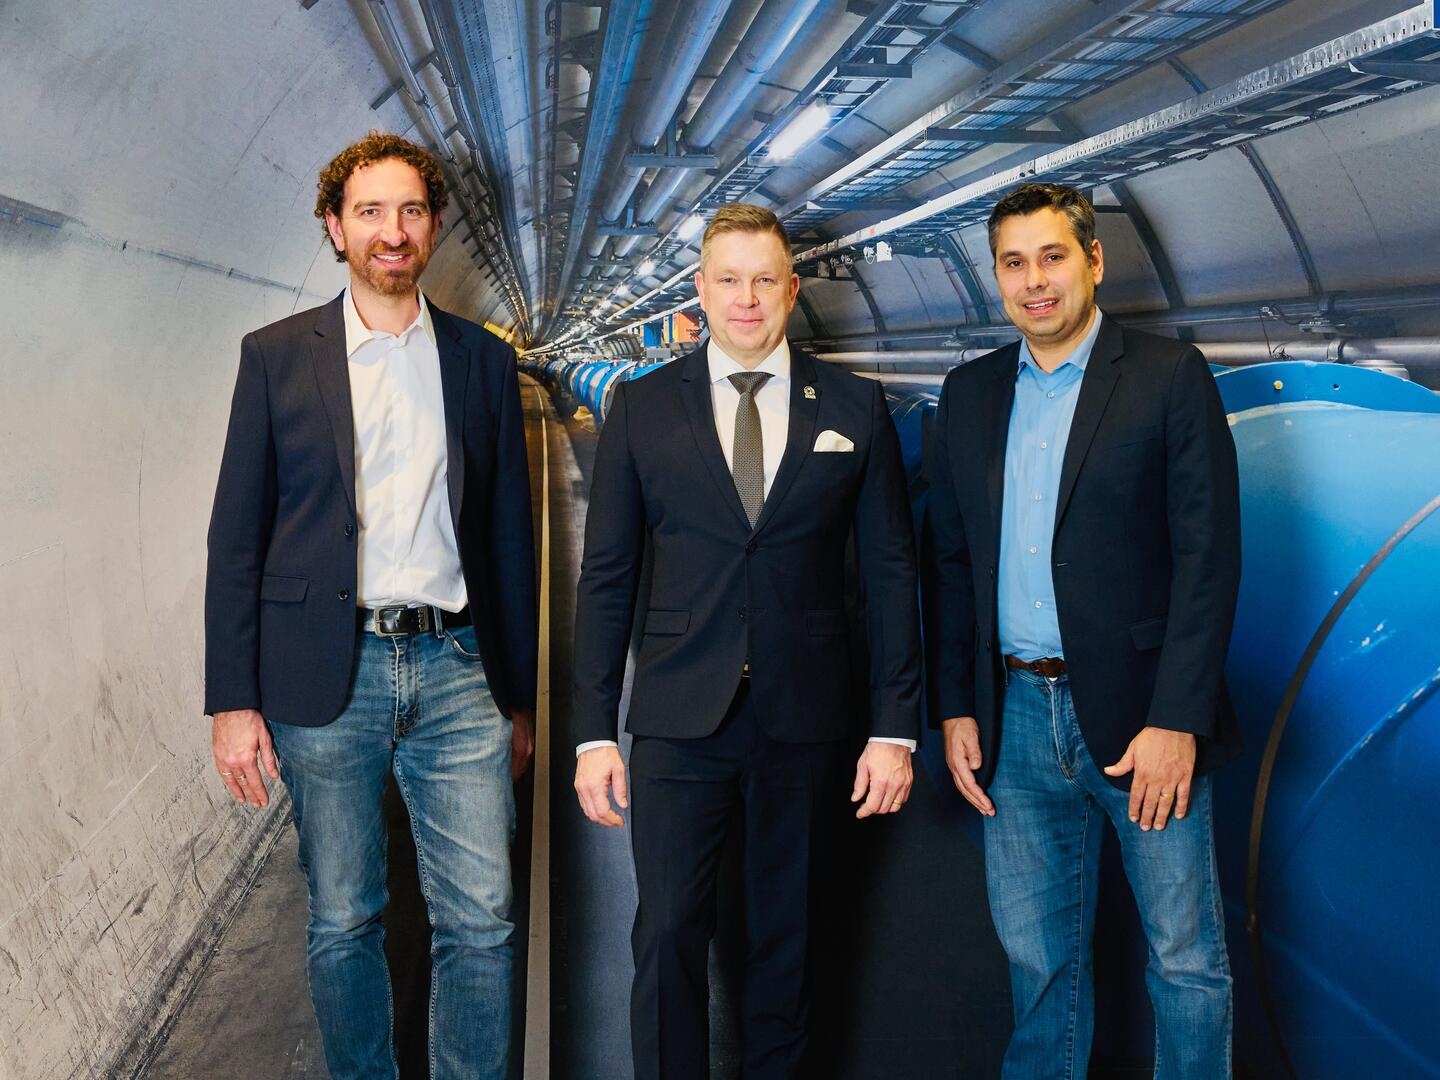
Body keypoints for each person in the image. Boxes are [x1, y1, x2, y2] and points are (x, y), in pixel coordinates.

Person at [204, 131, 536, 1080]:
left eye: (411, 211)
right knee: (344, 916)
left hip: (458, 666)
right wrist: (233, 700)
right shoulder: (274, 357)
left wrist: (519, 697)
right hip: (326, 675)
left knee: (481, 919)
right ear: (334, 227)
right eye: (370, 212)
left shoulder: (480, 360)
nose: (393, 231)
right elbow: (237, 536)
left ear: (432, 229)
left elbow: (509, 536)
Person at [571, 203, 920, 1079]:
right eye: (728, 279)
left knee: (788, 938)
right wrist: (590, 732)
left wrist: (894, 726)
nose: (747, 299)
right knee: (668, 934)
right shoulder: (644, 410)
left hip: (805, 718)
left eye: (765, 279)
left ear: (793, 289)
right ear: (699, 290)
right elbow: (607, 578)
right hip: (679, 716)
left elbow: (889, 574)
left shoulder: (854, 407)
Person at [924, 181, 1242, 1078]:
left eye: (1052, 256)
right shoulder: (971, 392)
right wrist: (957, 706)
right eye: (1014, 263)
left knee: (1185, 961)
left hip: (1144, 718)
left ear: (1094, 261)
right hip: (1016, 716)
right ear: (995, 277)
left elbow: (1207, 559)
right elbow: (950, 563)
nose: (1034, 281)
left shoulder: (1168, 376)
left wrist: (1178, 719)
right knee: (1040, 960)